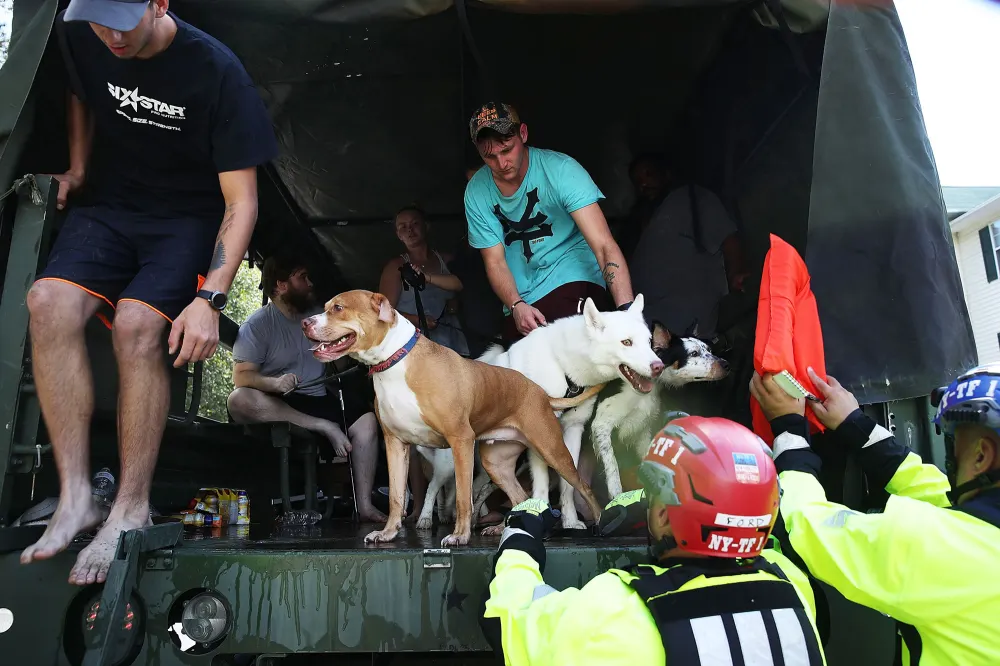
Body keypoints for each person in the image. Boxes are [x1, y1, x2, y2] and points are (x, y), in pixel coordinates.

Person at [20, 0, 277, 585]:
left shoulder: (217, 72)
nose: (109, 34)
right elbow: (82, 93)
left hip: (186, 220)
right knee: (47, 303)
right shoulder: (86, 35)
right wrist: (80, 169)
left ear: (159, 4)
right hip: (110, 207)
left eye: (121, 20)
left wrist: (211, 298)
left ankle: (130, 508)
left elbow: (243, 203)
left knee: (139, 325)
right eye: (98, 19)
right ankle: (76, 497)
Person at [480, 414, 827, 665]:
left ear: (660, 515)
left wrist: (520, 536)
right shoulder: (794, 585)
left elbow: (509, 617)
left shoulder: (617, 609)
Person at [749, 364, 1000, 665]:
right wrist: (856, 426)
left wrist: (789, 431)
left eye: (953, 448)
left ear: (982, 456)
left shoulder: (937, 547)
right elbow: (941, 495)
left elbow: (808, 526)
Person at [228, 257, 387, 523]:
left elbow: (347, 349)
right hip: (278, 400)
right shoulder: (257, 325)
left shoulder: (318, 317)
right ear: (281, 286)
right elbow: (242, 376)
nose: (310, 283)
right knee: (238, 400)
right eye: (302, 277)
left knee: (368, 422)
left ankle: (365, 505)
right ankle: (323, 427)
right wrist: (274, 383)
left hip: (317, 397)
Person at [464, 102, 635, 342]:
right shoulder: (476, 191)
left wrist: (627, 313)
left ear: (523, 134)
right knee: (522, 373)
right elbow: (494, 262)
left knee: (571, 353)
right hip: (522, 296)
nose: (501, 164)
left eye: (507, 150)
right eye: (490, 156)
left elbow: (604, 245)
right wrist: (515, 305)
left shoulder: (562, 170)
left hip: (572, 277)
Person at [625, 152, 749, 340]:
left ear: (665, 174)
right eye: (638, 182)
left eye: (649, 175)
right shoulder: (642, 220)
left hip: (688, 313)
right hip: (648, 316)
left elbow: (728, 238)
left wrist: (736, 273)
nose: (643, 185)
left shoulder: (694, 198)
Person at [377, 206, 469, 356]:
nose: (409, 230)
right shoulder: (395, 267)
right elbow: (384, 311)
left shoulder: (447, 260)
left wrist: (454, 302)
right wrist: (417, 320)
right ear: (398, 235)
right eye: (403, 227)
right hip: (412, 342)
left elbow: (464, 289)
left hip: (450, 338)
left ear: (426, 226)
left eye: (415, 224)